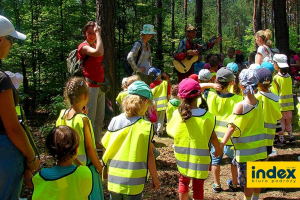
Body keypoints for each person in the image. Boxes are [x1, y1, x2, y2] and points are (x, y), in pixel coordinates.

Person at [0, 15, 39, 200]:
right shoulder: (2, 80)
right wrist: (31, 157)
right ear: (0, 39)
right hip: (4, 153)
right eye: (11, 39)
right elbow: (12, 127)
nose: (12, 45)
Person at [101, 80, 159, 200]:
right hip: (134, 181)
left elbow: (105, 147)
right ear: (144, 102)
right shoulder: (146, 126)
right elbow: (149, 155)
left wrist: (105, 169)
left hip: (113, 179)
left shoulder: (114, 121)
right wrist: (155, 177)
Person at [167, 78, 222, 200]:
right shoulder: (207, 116)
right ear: (199, 95)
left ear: (181, 96)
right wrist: (218, 149)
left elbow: (171, 131)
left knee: (183, 182)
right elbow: (213, 137)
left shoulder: (178, 114)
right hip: (200, 159)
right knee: (198, 186)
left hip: (183, 157)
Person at [220, 69, 268, 200]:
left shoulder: (240, 105)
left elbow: (231, 127)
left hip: (246, 152)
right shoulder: (259, 102)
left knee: (247, 182)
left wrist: (222, 143)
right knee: (257, 179)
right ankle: (256, 198)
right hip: (260, 149)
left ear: (241, 85)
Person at [56, 77, 104, 200]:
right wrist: (101, 169)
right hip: (85, 169)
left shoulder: (62, 115)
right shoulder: (83, 119)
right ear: (85, 95)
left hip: (66, 168)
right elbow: (89, 148)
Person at [202, 67, 242, 193]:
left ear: (217, 81)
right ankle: (235, 183)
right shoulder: (237, 99)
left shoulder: (210, 95)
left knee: (215, 161)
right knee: (234, 162)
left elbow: (197, 86)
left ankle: (216, 184)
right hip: (231, 137)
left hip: (214, 137)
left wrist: (211, 85)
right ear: (231, 83)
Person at [31, 126, 93, 200]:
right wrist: (73, 156)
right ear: (76, 149)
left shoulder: (42, 176)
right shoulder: (84, 173)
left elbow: (61, 185)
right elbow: (84, 191)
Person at [78, 21, 105, 150]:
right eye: (89, 33)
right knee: (90, 117)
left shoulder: (94, 44)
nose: (92, 35)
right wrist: (99, 34)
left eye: (94, 33)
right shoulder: (83, 47)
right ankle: (87, 144)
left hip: (100, 86)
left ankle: (96, 142)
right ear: (85, 33)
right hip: (90, 86)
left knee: (100, 117)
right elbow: (99, 52)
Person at [255, 67, 282, 157]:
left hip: (258, 135)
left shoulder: (256, 97)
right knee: (266, 155)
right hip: (270, 136)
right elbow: (278, 115)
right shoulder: (275, 98)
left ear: (257, 83)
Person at [272, 54, 296, 144]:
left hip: (281, 105)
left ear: (277, 65)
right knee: (288, 121)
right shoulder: (289, 77)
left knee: (281, 122)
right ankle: (291, 136)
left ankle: (281, 139)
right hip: (289, 104)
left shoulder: (276, 78)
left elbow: (275, 91)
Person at [149, 67, 171, 137]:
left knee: (155, 118)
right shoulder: (166, 83)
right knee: (161, 119)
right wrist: (168, 101)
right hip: (163, 104)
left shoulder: (152, 84)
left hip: (154, 105)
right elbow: (169, 94)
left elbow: (151, 95)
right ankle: (160, 132)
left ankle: (154, 130)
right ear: (159, 75)